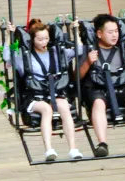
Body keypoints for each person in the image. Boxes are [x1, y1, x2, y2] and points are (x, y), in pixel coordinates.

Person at [9, 19, 83, 163]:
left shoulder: (56, 52)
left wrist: (75, 31)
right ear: (32, 40)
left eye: (46, 38)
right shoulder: (26, 56)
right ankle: (49, 149)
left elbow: (79, 50)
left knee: (64, 107)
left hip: (54, 94)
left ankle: (73, 148)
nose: (44, 42)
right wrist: (9, 37)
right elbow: (8, 57)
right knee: (46, 109)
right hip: (35, 96)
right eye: (40, 39)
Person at [78, 14, 125, 157]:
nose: (114, 35)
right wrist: (88, 62)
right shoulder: (90, 50)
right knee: (98, 103)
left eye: (116, 31)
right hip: (98, 90)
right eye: (110, 32)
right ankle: (102, 143)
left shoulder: (122, 50)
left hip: (120, 88)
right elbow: (77, 77)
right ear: (99, 34)